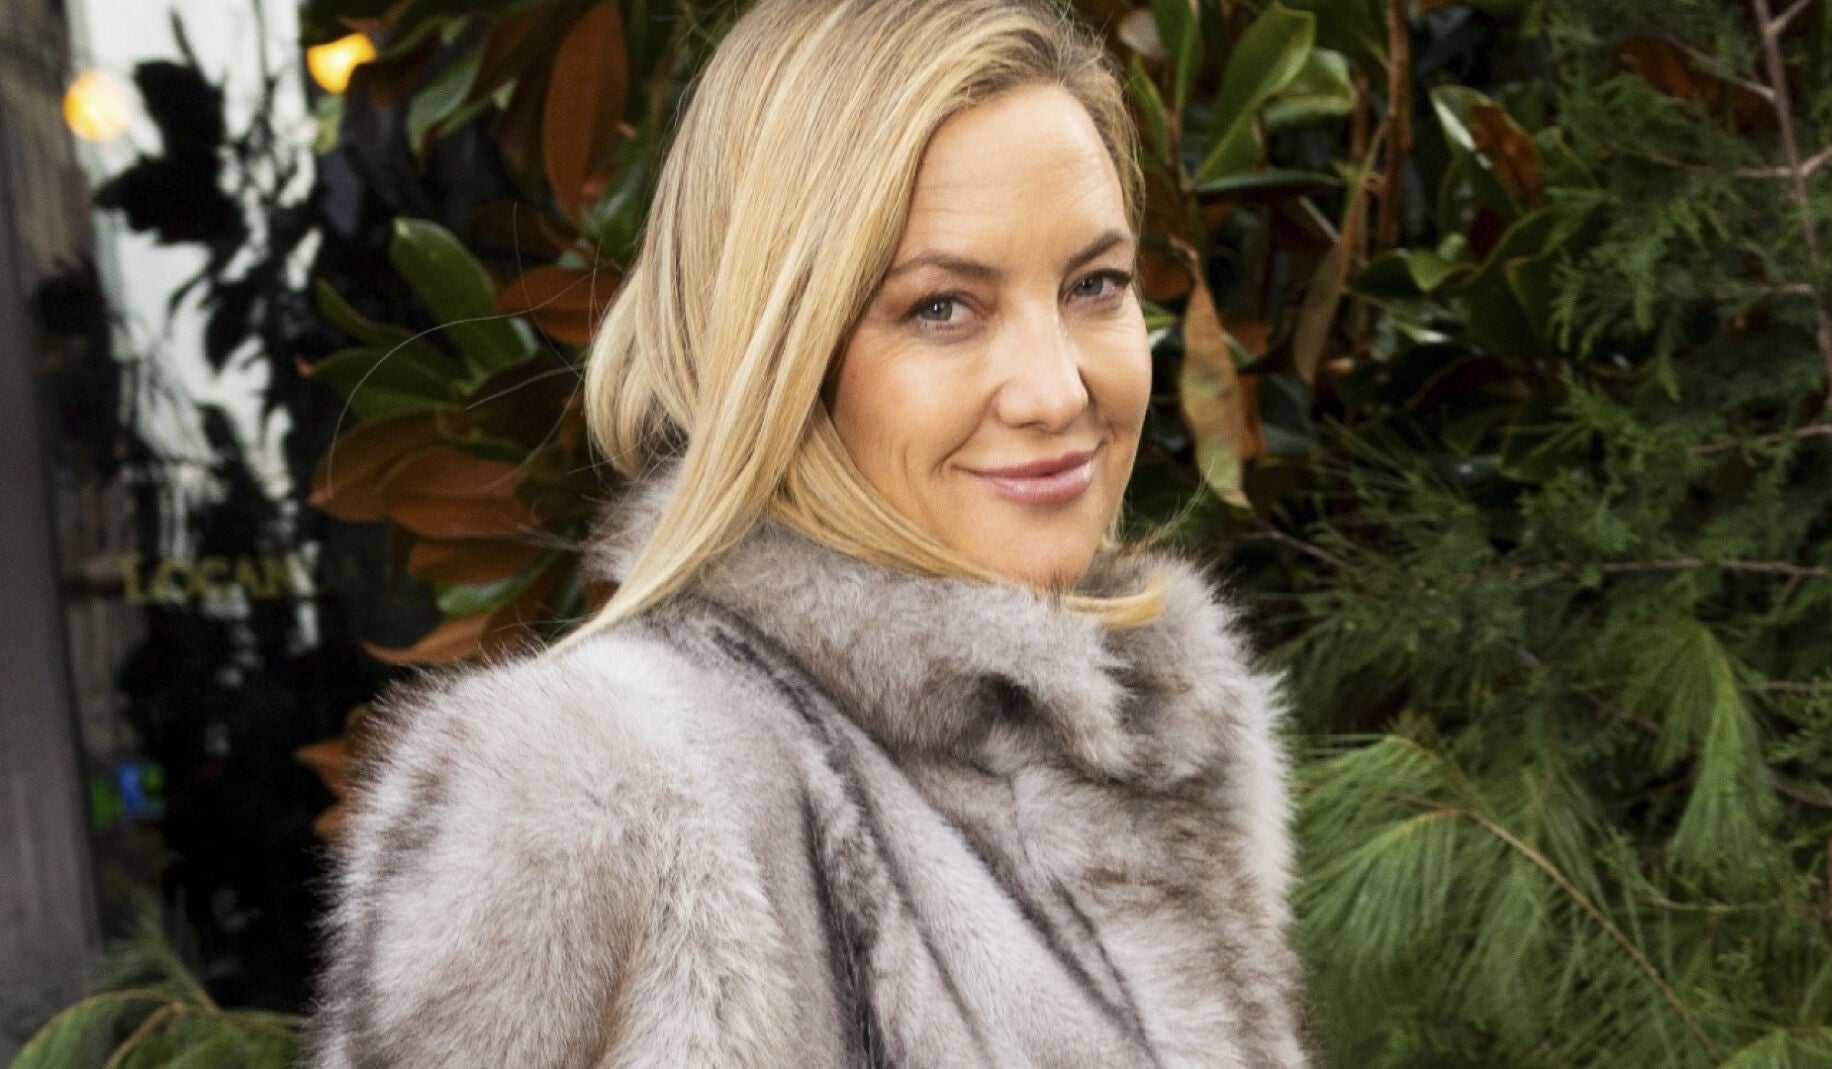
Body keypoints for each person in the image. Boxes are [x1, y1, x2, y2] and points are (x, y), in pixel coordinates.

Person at [306, 0, 1307, 1065]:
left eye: (1094, 286)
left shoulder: (1161, 745)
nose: (1057, 389)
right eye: (942, 307)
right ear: (777, 348)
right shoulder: (591, 786)